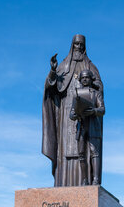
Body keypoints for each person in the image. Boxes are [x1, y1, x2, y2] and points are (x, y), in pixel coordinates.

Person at [42, 34, 103, 186]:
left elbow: (100, 88)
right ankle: (63, 183)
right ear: (72, 45)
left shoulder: (91, 67)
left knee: (86, 151)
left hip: (86, 118)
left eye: (81, 44)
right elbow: (52, 86)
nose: (78, 47)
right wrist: (53, 71)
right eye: (76, 44)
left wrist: (89, 89)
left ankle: (87, 180)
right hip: (66, 113)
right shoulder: (63, 65)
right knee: (65, 150)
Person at [69, 69, 105, 185]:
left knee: (94, 152)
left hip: (93, 125)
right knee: (81, 154)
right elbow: (72, 112)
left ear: (91, 79)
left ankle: (95, 179)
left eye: (87, 77)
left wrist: (93, 111)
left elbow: (102, 109)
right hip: (81, 126)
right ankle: (84, 179)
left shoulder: (96, 93)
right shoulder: (77, 94)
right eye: (83, 78)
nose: (85, 79)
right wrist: (73, 115)